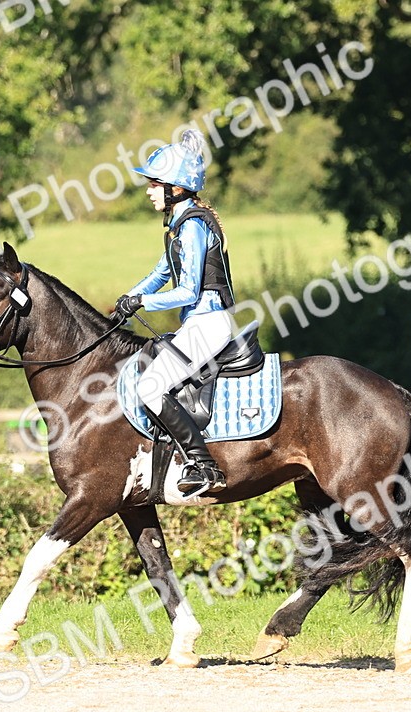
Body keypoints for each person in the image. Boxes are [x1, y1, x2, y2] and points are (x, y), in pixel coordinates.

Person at [113, 129, 238, 497]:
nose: (149, 191)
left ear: (176, 187)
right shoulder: (179, 226)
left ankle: (204, 466)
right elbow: (160, 274)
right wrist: (126, 299)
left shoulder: (194, 226)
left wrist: (142, 302)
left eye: (155, 184)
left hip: (210, 323)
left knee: (150, 387)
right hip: (199, 324)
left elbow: (188, 292)